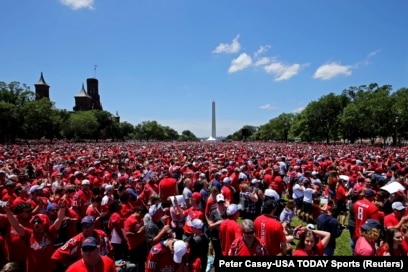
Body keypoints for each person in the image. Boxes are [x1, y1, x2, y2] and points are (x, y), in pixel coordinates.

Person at [3, 198, 67, 272]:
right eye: (34, 222)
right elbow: (16, 225)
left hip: (50, 268)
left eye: (39, 221)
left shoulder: (50, 232)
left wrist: (62, 207)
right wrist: (8, 211)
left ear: (45, 223)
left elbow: (59, 219)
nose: (36, 223)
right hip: (33, 269)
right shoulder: (29, 234)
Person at [124, 206, 148, 272]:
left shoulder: (140, 219)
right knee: (135, 265)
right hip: (135, 246)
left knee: (142, 262)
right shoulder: (129, 220)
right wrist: (138, 233)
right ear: (139, 212)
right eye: (142, 215)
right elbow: (127, 234)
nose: (143, 217)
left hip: (142, 243)